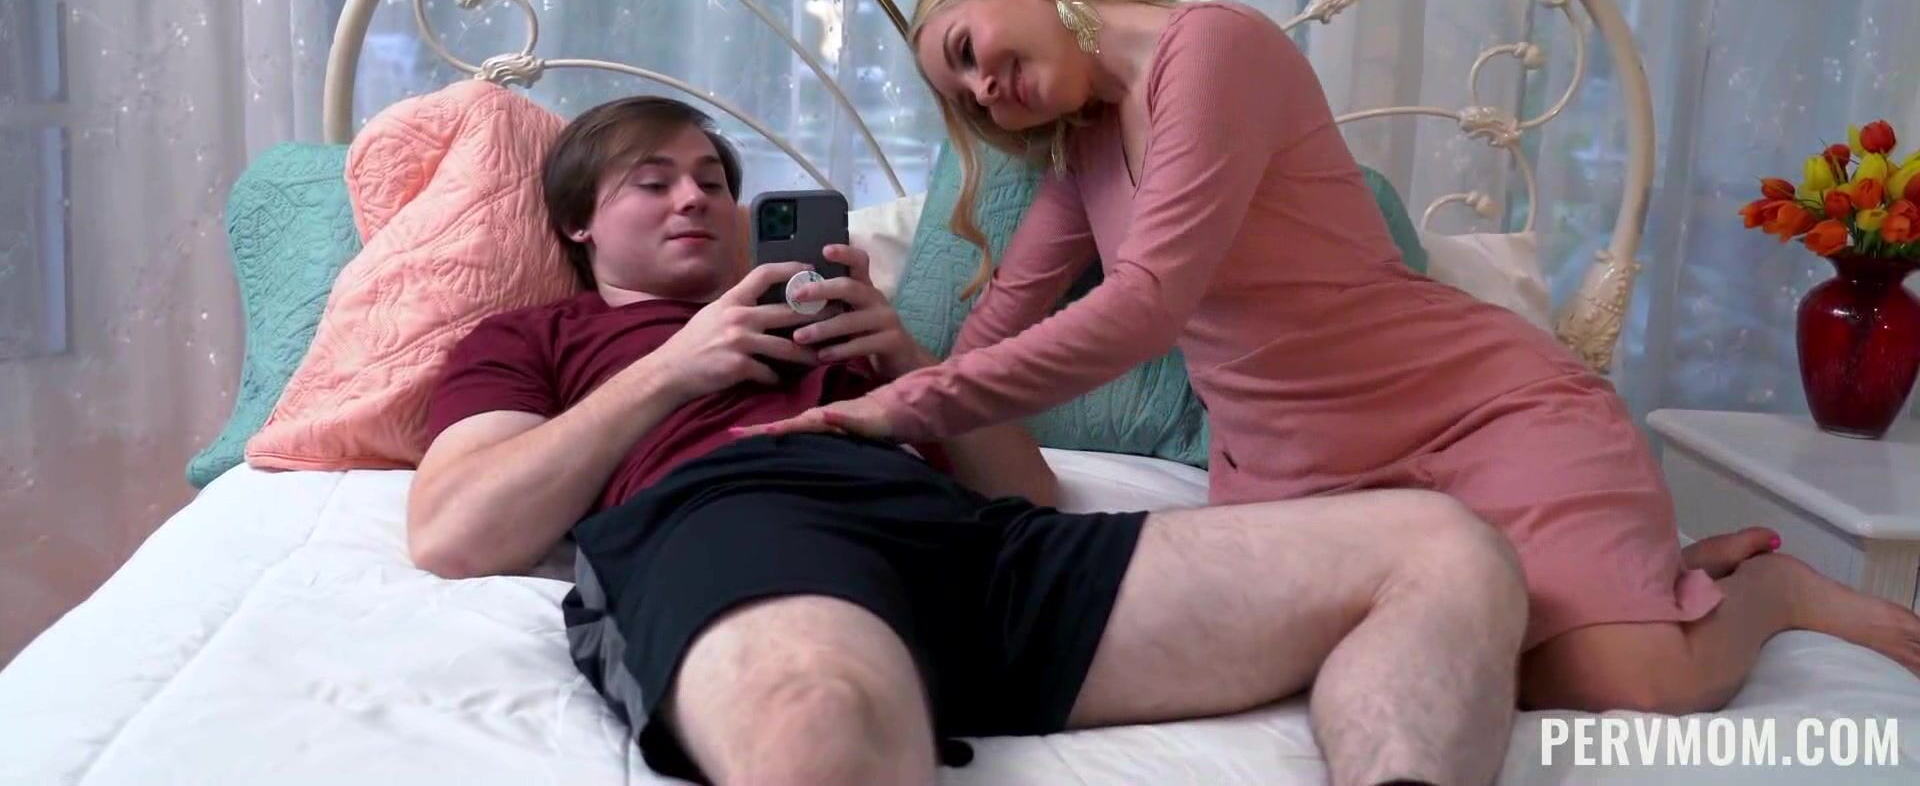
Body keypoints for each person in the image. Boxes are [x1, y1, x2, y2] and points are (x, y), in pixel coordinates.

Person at [738, 0, 1920, 715]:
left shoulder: (1217, 50)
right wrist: (894, 375)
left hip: (1476, 410)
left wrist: (909, 405)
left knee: (1633, 684)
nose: (984, 89)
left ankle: (1772, 593)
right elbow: (996, 329)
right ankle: (1664, 568)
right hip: (1305, 480)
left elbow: (1148, 305)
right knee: (1444, 668)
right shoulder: (1080, 151)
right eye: (962, 95)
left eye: (968, 52)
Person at [406, 94, 1529, 786]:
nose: (694, 200)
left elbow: (1031, 495)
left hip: (964, 545)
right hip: (741, 524)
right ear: (578, 222)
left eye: (711, 181)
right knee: (818, 722)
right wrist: (672, 368)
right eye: (652, 183)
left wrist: (914, 370)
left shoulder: (845, 327)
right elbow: (456, 531)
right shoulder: (535, 336)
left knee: (1437, 545)